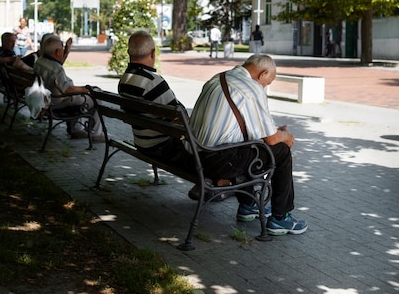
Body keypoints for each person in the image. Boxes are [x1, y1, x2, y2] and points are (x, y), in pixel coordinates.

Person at [189, 54, 308, 235]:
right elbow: (271, 139)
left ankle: (249, 205)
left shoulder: (219, 77)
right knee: (281, 151)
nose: (265, 86)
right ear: (263, 73)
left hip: (195, 155)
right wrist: (285, 135)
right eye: (267, 83)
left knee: (251, 146)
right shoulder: (251, 88)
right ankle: (280, 217)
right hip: (217, 163)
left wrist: (273, 131)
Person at [118, 30, 185, 160]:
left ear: (129, 53)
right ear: (153, 53)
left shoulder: (124, 80)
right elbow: (178, 115)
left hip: (141, 143)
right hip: (161, 146)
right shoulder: (153, 81)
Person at [34, 35, 104, 141]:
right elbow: (67, 90)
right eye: (62, 49)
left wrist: (67, 50)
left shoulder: (40, 61)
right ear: (57, 52)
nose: (63, 51)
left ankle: (76, 129)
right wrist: (86, 89)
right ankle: (96, 134)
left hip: (46, 99)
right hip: (57, 102)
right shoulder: (56, 69)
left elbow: (58, 64)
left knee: (78, 97)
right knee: (96, 99)